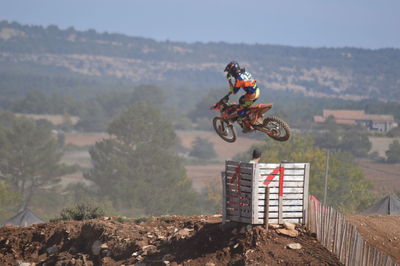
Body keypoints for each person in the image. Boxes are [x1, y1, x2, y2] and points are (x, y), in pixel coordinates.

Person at [224, 61, 260, 133]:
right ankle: (250, 114)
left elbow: (234, 91)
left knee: (240, 109)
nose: (230, 74)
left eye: (230, 72)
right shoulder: (244, 72)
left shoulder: (239, 80)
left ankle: (248, 126)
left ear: (233, 71)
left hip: (252, 96)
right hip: (257, 90)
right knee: (242, 100)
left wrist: (229, 80)